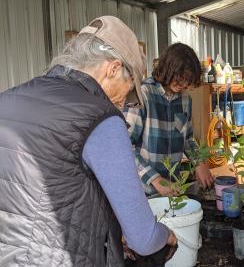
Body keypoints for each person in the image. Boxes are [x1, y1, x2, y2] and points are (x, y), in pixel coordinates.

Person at [0, 16, 177, 266]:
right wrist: (164, 236)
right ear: (113, 68)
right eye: (128, 89)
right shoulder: (100, 119)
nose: (124, 103)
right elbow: (143, 239)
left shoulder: (7, 99)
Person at [123, 43, 214, 196]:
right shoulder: (142, 94)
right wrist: (156, 179)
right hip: (143, 191)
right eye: (180, 79)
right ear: (167, 70)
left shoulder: (185, 99)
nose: (183, 85)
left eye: (187, 82)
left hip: (173, 189)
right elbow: (124, 146)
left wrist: (199, 163)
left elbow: (188, 138)